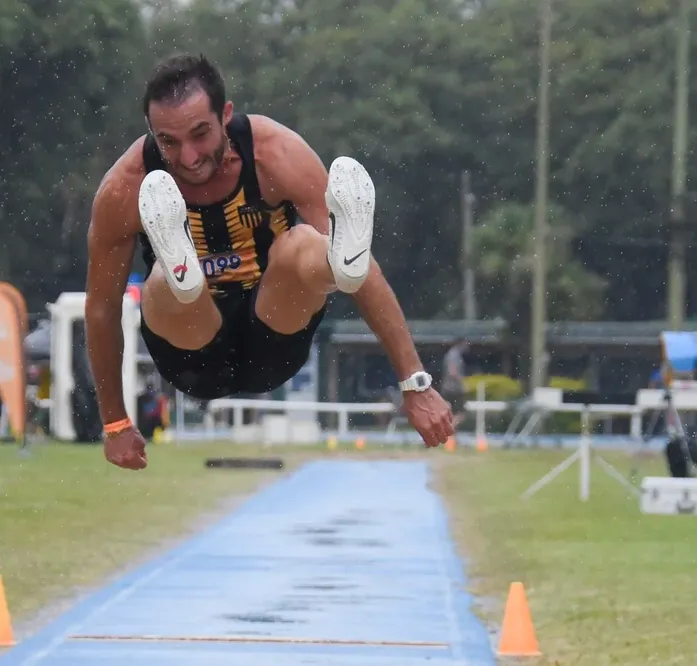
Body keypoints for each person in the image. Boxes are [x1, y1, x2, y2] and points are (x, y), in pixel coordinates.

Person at [84, 53, 455, 470]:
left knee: (300, 244)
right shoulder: (127, 187)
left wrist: (415, 382)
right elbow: (101, 307)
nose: (187, 157)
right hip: (192, 352)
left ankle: (337, 264)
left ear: (226, 116)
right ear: (151, 133)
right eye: (168, 142)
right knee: (158, 283)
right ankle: (181, 277)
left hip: (274, 328)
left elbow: (369, 272)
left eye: (200, 134)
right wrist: (114, 422)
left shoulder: (277, 154)